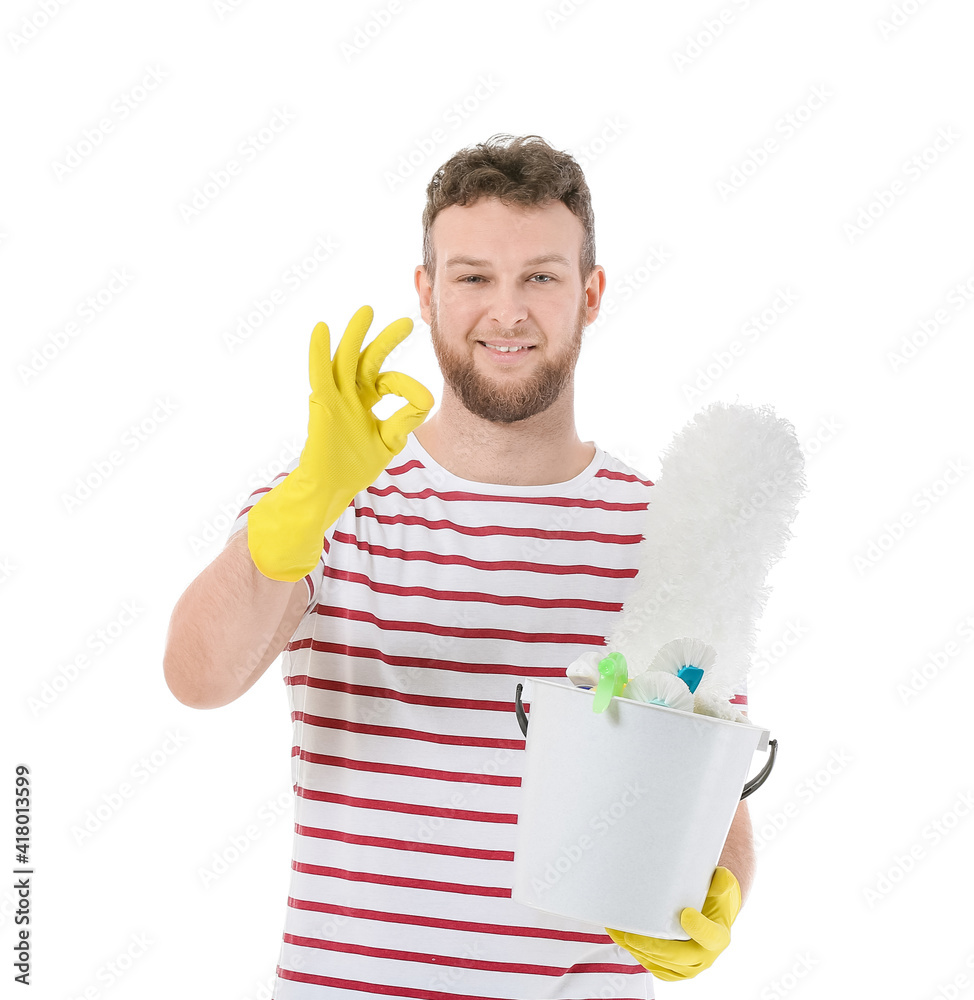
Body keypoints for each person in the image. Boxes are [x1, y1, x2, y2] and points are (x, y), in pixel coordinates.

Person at [164, 133, 754, 998]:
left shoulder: (668, 530)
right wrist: (308, 501)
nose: (506, 312)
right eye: (473, 276)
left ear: (590, 294)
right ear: (427, 292)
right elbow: (197, 676)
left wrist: (725, 891)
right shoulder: (336, 500)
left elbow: (712, 787)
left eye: (541, 278)